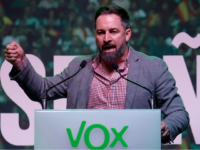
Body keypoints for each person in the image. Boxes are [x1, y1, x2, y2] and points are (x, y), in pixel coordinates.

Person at [4, 5, 189, 143]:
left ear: (127, 34)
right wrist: (21, 61)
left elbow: (178, 113)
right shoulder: (79, 67)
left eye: (113, 32)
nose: (106, 39)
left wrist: (166, 128)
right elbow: (42, 91)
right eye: (101, 32)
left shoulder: (153, 68)